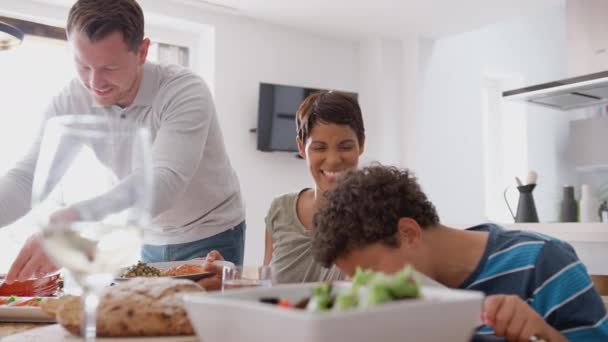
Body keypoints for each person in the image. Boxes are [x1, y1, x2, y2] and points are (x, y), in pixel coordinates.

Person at [3, 0, 245, 284]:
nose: (95, 82)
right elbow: (25, 178)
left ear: (142, 52)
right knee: (148, 318)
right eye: (83, 64)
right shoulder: (72, 98)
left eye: (110, 67)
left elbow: (164, 181)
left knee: (194, 323)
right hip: (146, 232)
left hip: (211, 230)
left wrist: (76, 224)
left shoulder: (184, 90)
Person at [312, 165, 608, 342]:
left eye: (369, 273)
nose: (362, 289)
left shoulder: (543, 262)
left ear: (408, 233)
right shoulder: (415, 299)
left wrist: (540, 333)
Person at [205, 90, 365, 286]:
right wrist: (229, 275)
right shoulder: (281, 209)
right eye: (319, 147)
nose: (332, 160)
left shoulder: (376, 216)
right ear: (300, 147)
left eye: (345, 147)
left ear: (361, 144)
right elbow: (267, 286)